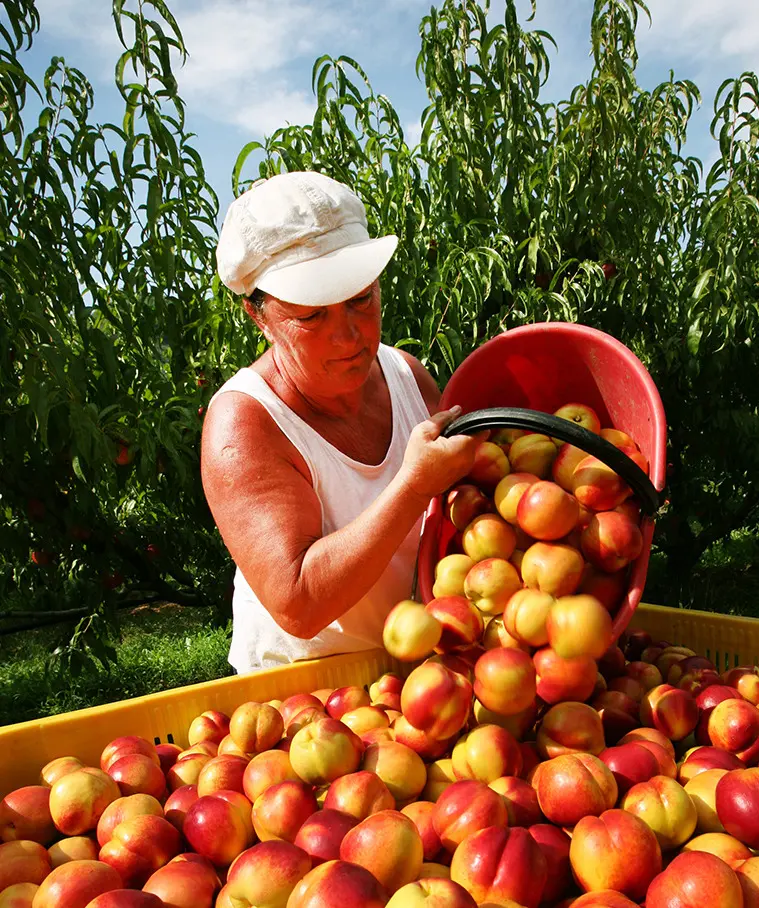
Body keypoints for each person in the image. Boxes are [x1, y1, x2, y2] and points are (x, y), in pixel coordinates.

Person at [203, 171, 482, 673]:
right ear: (257, 315)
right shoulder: (246, 422)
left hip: (418, 678)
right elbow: (298, 602)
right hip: (303, 699)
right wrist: (413, 487)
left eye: (361, 299)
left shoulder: (405, 375)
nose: (348, 335)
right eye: (311, 317)